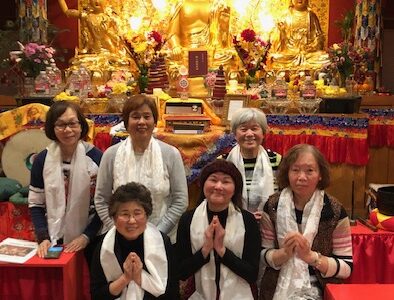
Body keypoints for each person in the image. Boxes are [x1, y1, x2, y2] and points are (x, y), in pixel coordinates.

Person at [259, 144, 353, 300]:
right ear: (287, 173)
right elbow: (263, 255)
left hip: (319, 289)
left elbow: (346, 267)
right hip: (276, 288)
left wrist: (311, 257)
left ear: (320, 174)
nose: (301, 177)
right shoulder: (272, 206)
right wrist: (283, 254)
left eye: (310, 171)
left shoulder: (334, 211)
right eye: (295, 170)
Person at [94, 94, 188, 241]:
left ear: (154, 122)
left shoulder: (170, 154)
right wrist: (119, 229)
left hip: (162, 236)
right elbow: (101, 199)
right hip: (119, 237)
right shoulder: (111, 155)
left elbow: (180, 200)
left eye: (147, 116)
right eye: (135, 117)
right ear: (126, 122)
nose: (142, 122)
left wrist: (158, 233)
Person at [176, 160, 261, 299]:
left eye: (226, 181)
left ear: (235, 189)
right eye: (213, 180)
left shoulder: (247, 220)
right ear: (203, 184)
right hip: (198, 293)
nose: (218, 186)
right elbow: (181, 272)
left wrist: (222, 251)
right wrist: (205, 250)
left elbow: (252, 274)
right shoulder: (188, 219)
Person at [28, 101, 102, 258]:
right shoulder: (42, 160)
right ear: (52, 128)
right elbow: (36, 203)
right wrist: (43, 237)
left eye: (72, 123)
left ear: (81, 125)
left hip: (92, 236)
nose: (67, 130)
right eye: (60, 125)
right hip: (54, 237)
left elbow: (105, 203)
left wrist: (87, 236)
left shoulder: (96, 158)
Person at [90, 182, 177, 299]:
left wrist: (140, 278)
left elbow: (172, 292)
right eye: (125, 214)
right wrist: (125, 278)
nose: (131, 221)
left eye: (137, 213)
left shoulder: (162, 242)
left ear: (147, 216)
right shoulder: (103, 247)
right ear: (114, 218)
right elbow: (97, 295)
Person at [226, 108, 281, 220]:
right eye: (243, 129)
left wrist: (268, 214)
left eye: (254, 128)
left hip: (269, 223)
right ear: (235, 134)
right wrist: (245, 217)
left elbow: (285, 196)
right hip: (233, 221)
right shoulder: (224, 162)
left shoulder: (276, 160)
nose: (249, 134)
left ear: (263, 133)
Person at [269, 0, 329, 70]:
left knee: (324, 57)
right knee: (277, 58)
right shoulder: (285, 16)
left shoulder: (311, 15)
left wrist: (312, 46)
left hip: (308, 53)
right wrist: (281, 31)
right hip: (290, 53)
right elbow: (278, 43)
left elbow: (319, 37)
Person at [58, 0, 124, 54]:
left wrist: (115, 38)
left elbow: (118, 35)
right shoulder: (86, 16)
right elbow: (67, 12)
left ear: (107, 1)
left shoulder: (110, 18)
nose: (96, 1)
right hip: (93, 47)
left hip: (109, 48)